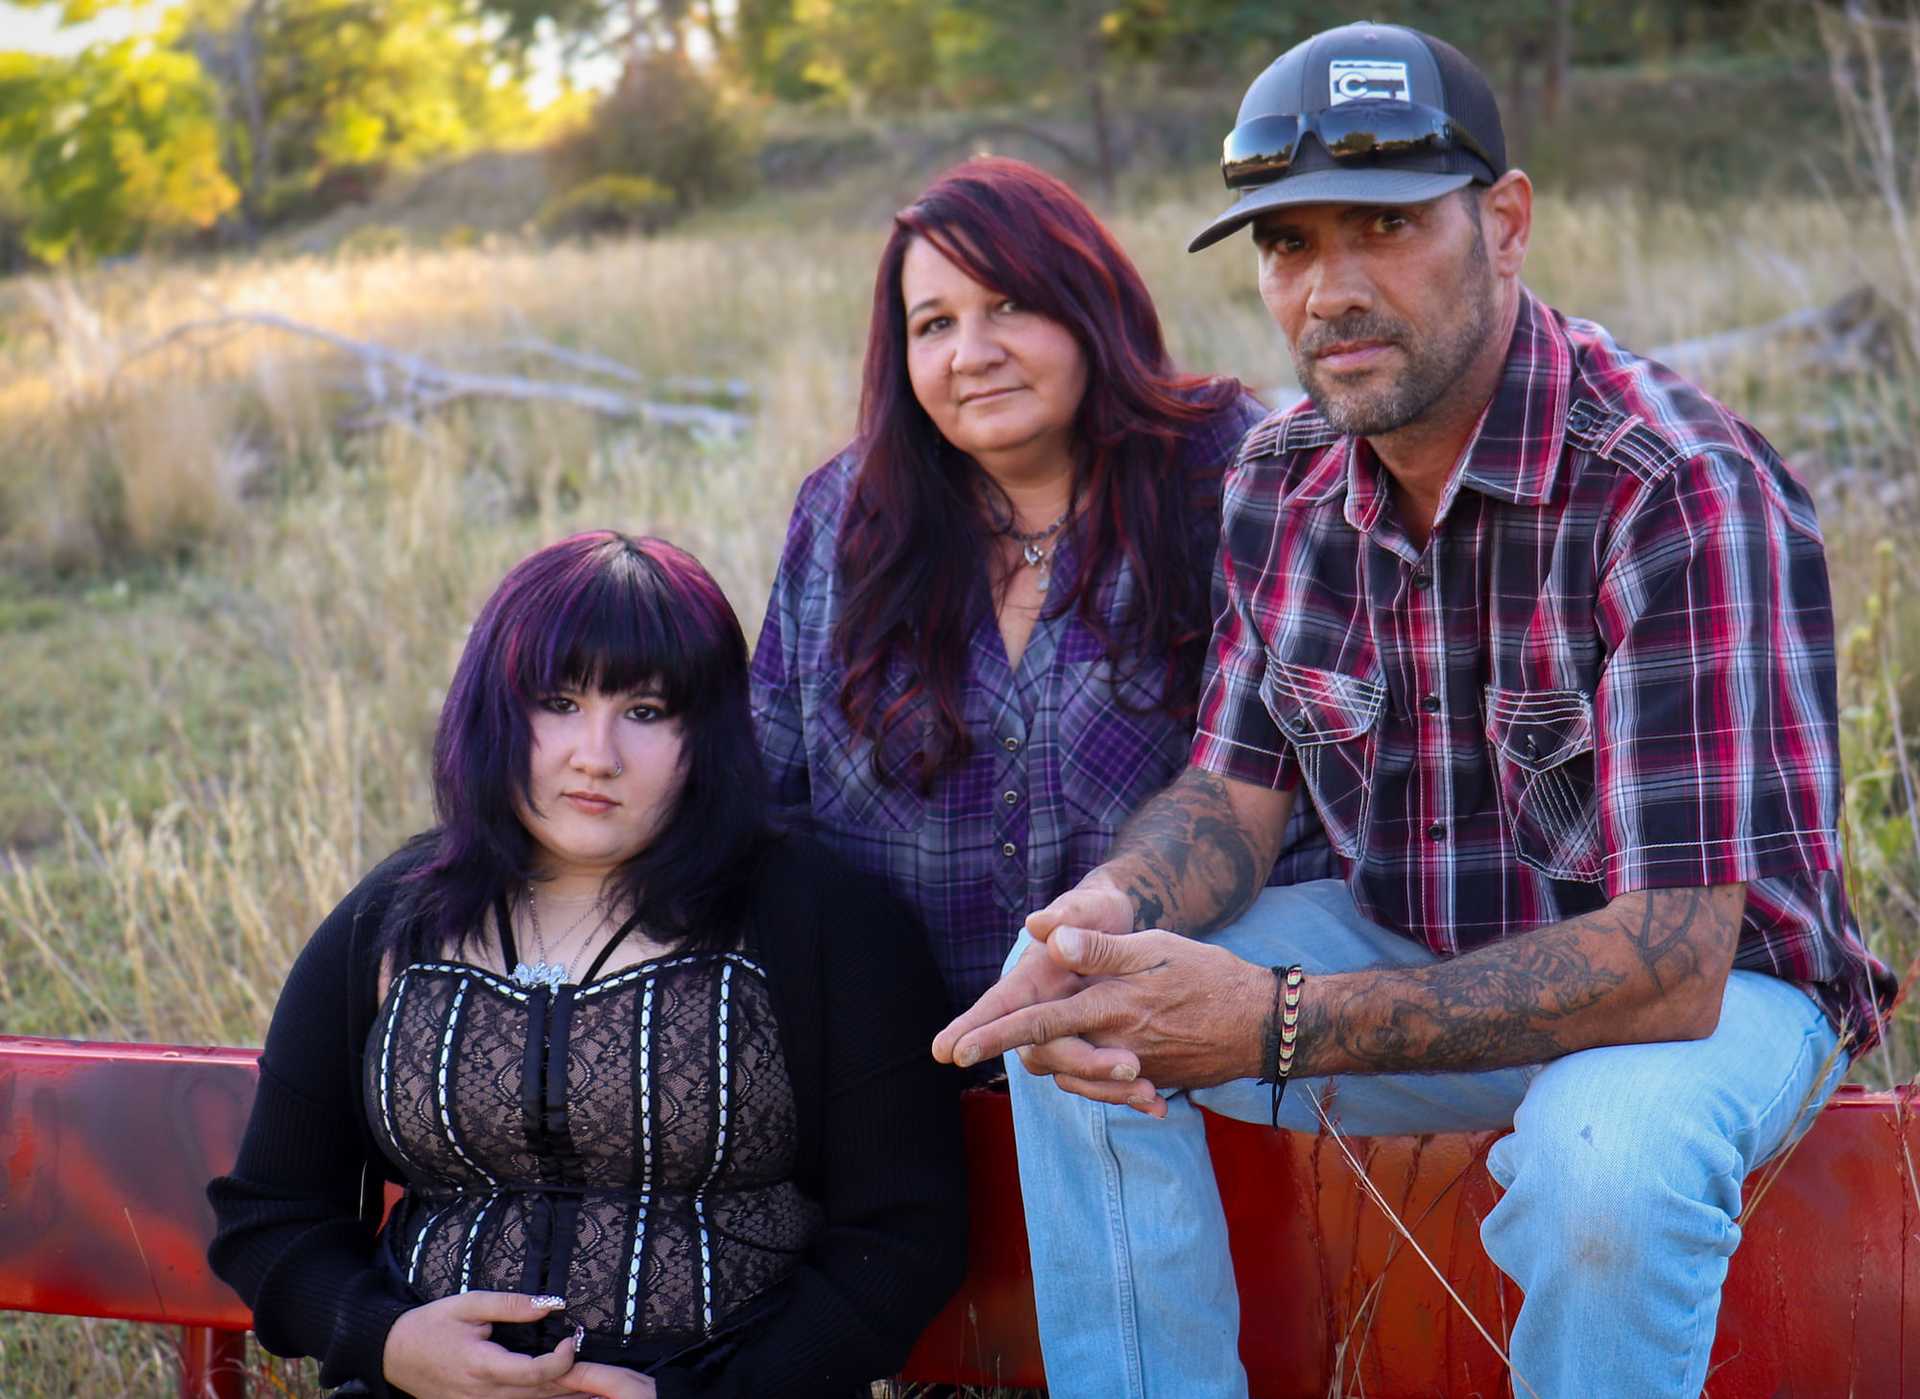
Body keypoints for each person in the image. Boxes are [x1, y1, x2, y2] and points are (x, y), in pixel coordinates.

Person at [934, 21, 1896, 1399]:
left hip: (1712, 1000)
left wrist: (1278, 1020)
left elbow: (1672, 958)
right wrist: (1108, 911)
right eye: (1289, 245)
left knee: (1603, 1166)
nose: (1333, 289)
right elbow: (1231, 796)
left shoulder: (1675, 490)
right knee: (1083, 1017)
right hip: (1415, 941)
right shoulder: (1279, 478)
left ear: (1505, 225)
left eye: (1385, 224)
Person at [209, 531, 966, 1399]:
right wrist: (385, 1339)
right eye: (559, 702)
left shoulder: (823, 919)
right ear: (495, 714)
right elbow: (268, 1215)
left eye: (645, 711)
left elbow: (905, 1236)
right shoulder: (392, 918)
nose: (595, 753)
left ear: (707, 733)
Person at [751, 155, 1329, 1020]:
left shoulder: (1228, 474)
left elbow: (1326, 800)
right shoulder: (844, 518)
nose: (973, 355)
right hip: (906, 1062)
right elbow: (772, 800)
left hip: (1179, 1048)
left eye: (1010, 305)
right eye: (934, 324)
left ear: (1088, 304)